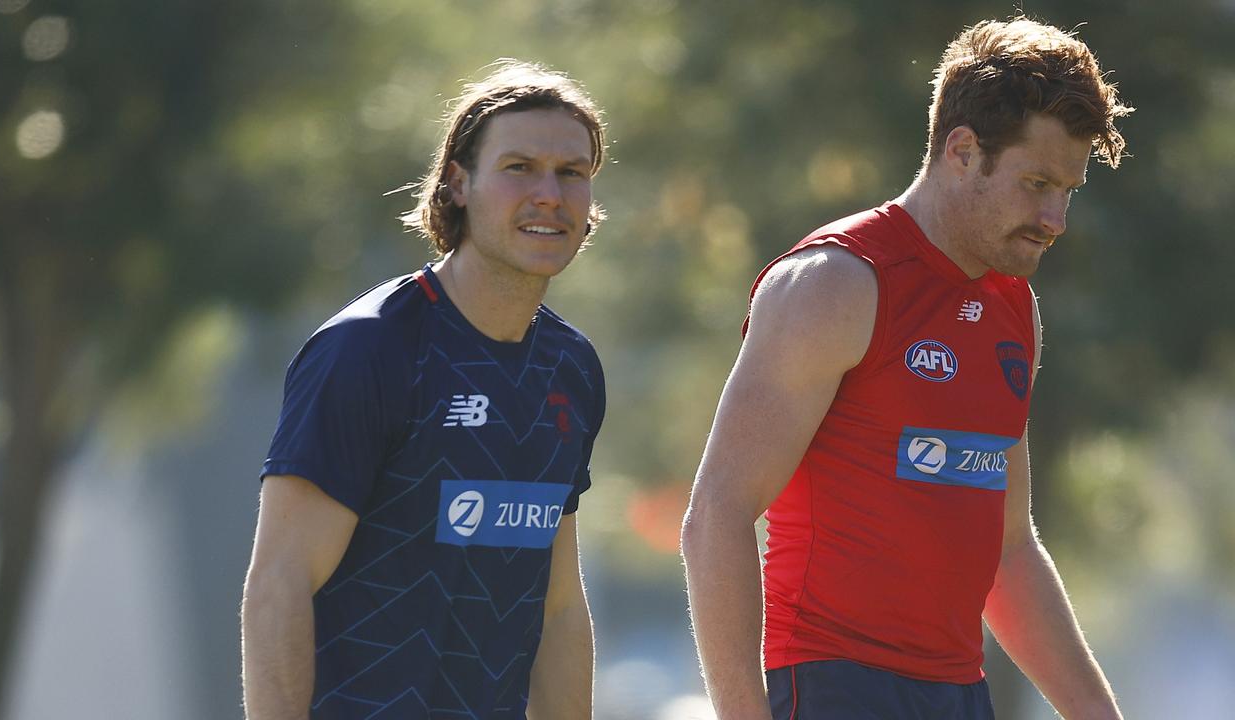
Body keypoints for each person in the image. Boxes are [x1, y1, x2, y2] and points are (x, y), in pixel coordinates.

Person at [681, 17, 1132, 720]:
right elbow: (717, 514)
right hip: (833, 687)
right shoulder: (836, 282)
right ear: (961, 151)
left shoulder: (1018, 309)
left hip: (961, 694)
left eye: (1067, 189)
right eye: (1036, 182)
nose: (1056, 217)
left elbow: (1010, 551)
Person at [241, 60, 608, 720]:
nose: (549, 193)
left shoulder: (571, 367)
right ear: (458, 184)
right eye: (519, 166)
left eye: (571, 172)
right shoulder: (369, 349)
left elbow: (557, 606)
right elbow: (279, 584)